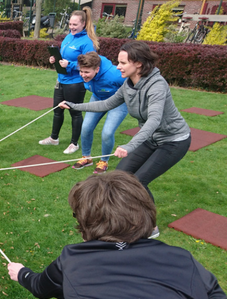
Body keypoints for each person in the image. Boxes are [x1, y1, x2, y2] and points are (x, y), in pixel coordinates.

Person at [8, 171, 227, 299]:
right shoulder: (181, 258)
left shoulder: (73, 262)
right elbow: (214, 296)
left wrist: (21, 273)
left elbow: (41, 286)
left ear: (85, 224)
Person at [59, 41, 190, 208]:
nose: (118, 67)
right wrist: (73, 105)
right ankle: (124, 214)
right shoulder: (128, 84)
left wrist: (130, 146)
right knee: (119, 176)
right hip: (151, 139)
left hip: (173, 141)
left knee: (139, 181)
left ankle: (150, 226)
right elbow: (106, 104)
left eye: (122, 63)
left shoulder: (156, 85)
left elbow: (154, 120)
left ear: (138, 64)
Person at [39, 7, 98, 155]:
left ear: (83, 24)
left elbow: (90, 64)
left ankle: (74, 143)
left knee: (75, 113)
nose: (71, 27)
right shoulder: (69, 37)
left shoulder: (87, 42)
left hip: (75, 82)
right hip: (62, 79)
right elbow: (63, 54)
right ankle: (54, 138)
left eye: (75, 25)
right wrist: (55, 59)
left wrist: (70, 65)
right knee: (57, 110)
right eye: (70, 24)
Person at [72, 52, 128, 174]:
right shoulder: (84, 71)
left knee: (107, 133)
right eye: (81, 71)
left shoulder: (114, 75)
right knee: (86, 127)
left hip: (118, 102)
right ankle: (86, 158)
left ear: (97, 69)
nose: (83, 75)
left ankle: (104, 161)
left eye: (86, 72)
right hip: (98, 98)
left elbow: (134, 82)